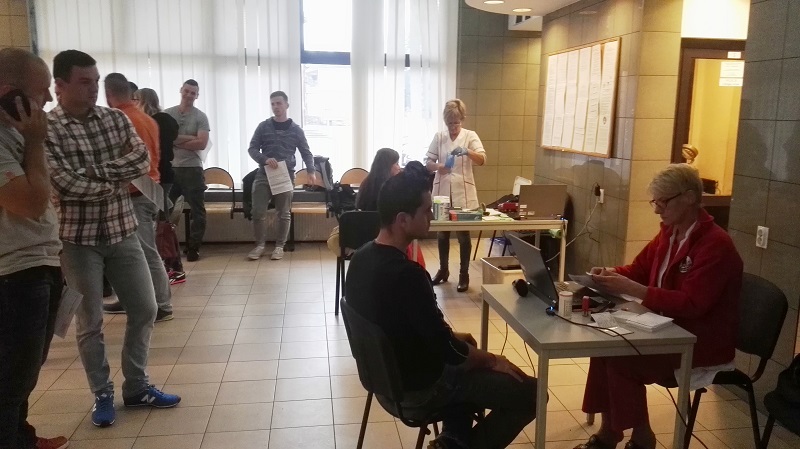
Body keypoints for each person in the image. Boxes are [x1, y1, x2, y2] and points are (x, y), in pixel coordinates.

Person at [345, 161, 537, 449]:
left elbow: (410, 329)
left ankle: (452, 440)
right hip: (421, 390)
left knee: (466, 344)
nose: (432, 218)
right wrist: (491, 359)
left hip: (384, 383)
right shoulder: (408, 276)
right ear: (402, 220)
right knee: (532, 393)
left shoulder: (361, 258)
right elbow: (449, 351)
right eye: (426, 211)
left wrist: (464, 347)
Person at [45, 50, 180, 429]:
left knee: (146, 308)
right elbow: (63, 182)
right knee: (89, 322)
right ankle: (102, 394)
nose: (93, 90)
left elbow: (140, 161)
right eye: (84, 82)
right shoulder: (49, 129)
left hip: (122, 231)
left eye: (96, 81)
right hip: (78, 240)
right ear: (60, 85)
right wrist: (111, 180)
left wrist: (91, 173)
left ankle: (136, 386)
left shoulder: (115, 119)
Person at [575, 164, 743, 449]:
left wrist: (634, 289)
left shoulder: (716, 244)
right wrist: (610, 273)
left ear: (689, 197)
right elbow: (639, 270)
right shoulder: (669, 233)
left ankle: (642, 438)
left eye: (663, 202)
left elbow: (692, 304)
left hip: (697, 340)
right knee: (604, 347)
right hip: (664, 327)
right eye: (655, 202)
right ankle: (609, 432)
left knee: (622, 360)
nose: (657, 210)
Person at [0, 48, 68, 449]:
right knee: (11, 377)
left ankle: (21, 437)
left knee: (26, 371)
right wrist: (36, 142)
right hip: (15, 273)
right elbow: (30, 202)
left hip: (38, 262)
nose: (48, 99)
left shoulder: (14, 132)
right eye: (40, 91)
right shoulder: (17, 137)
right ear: (9, 93)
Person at [101, 74, 173, 322]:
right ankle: (130, 298)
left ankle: (162, 304)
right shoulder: (147, 118)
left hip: (135, 193)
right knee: (129, 254)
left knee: (145, 251)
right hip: (150, 189)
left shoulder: (120, 120)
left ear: (108, 95)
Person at [425, 99, 486, 292]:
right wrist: (438, 166)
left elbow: (482, 159)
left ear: (462, 119)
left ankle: (464, 274)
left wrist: (467, 152)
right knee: (442, 234)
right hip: (442, 192)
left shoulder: (470, 136)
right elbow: (427, 162)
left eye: (456, 123)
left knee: (463, 235)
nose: (453, 127)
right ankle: (443, 270)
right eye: (450, 123)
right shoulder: (439, 137)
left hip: (463, 194)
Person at [247, 90, 315, 261]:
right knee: (258, 211)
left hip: (285, 175)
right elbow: (252, 148)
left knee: (283, 213)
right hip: (264, 174)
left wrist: (311, 171)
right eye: (273, 104)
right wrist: (264, 159)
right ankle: (260, 245)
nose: (275, 107)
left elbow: (306, 152)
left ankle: (279, 246)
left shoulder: (296, 130)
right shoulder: (263, 126)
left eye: (279, 103)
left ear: (286, 105)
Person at [134, 87, 184, 284]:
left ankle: (170, 268)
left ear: (143, 101)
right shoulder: (166, 120)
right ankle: (171, 266)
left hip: (156, 178)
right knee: (163, 223)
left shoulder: (149, 122)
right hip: (164, 176)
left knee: (159, 225)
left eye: (136, 99)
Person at [165, 79, 210, 262]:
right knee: (164, 210)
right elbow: (163, 139)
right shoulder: (167, 114)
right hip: (170, 169)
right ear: (181, 90)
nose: (189, 95)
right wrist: (190, 138)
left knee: (198, 212)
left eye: (193, 93)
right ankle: (166, 248)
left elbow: (202, 143)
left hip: (193, 170)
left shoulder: (201, 117)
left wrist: (176, 140)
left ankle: (193, 248)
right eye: (187, 91)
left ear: (197, 95)